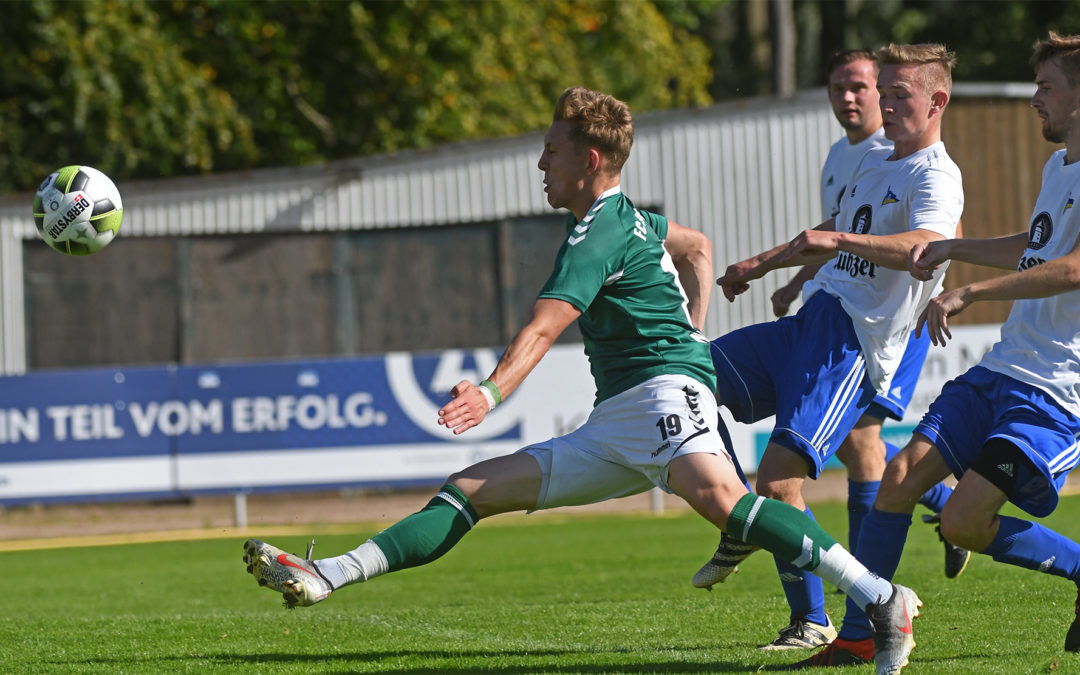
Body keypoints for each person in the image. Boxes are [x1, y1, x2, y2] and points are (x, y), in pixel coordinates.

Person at [240, 85, 922, 675]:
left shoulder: (598, 231)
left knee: (725, 500)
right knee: (470, 490)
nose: (542, 164)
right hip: (617, 420)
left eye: (551, 152)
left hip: (661, 394)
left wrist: (492, 391)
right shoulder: (634, 219)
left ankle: (881, 599)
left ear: (588, 161)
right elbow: (698, 247)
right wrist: (693, 324)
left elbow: (543, 326)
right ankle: (328, 574)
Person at [795, 31, 1080, 668]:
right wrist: (956, 247)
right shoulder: (1059, 167)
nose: (1036, 99)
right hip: (1002, 370)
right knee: (896, 480)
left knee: (962, 524)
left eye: (1047, 87)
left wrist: (972, 290)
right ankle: (861, 634)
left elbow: (1074, 267)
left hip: (1058, 392)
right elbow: (1035, 248)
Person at [692, 49, 970, 653]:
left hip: (850, 344)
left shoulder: (936, 176)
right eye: (885, 94)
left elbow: (926, 245)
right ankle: (745, 525)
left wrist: (834, 239)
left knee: (786, 485)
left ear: (937, 103)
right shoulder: (872, 162)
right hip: (810, 322)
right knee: (688, 379)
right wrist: (766, 268)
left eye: (898, 95)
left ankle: (826, 614)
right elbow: (832, 236)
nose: (884, 105)